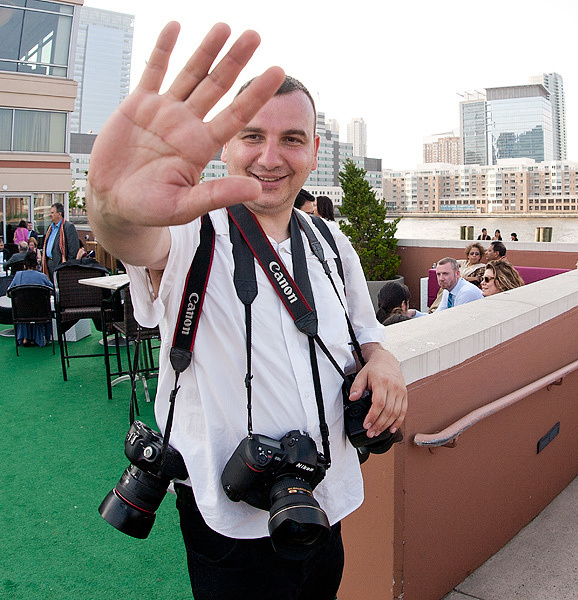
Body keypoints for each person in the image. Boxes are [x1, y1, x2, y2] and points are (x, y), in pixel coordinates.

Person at [85, 23, 406, 600]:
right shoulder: (189, 234)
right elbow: (133, 236)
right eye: (252, 135)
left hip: (323, 501)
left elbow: (369, 335)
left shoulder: (332, 242)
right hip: (227, 523)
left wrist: (383, 362)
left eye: (291, 139)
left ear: (314, 150)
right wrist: (111, 205)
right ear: (227, 145)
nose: (269, 157)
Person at [7, 251, 54, 347]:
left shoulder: (18, 276)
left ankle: (25, 336)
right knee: (37, 306)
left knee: (24, 305)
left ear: (24, 265)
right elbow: (53, 290)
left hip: (22, 314)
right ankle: (40, 337)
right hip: (41, 313)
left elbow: (9, 293)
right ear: (37, 265)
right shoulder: (42, 277)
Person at [42, 202, 79, 275]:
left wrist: (66, 266)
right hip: (49, 264)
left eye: (52, 213)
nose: (50, 215)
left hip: (60, 265)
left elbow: (73, 249)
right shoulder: (50, 228)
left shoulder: (68, 227)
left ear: (59, 214)